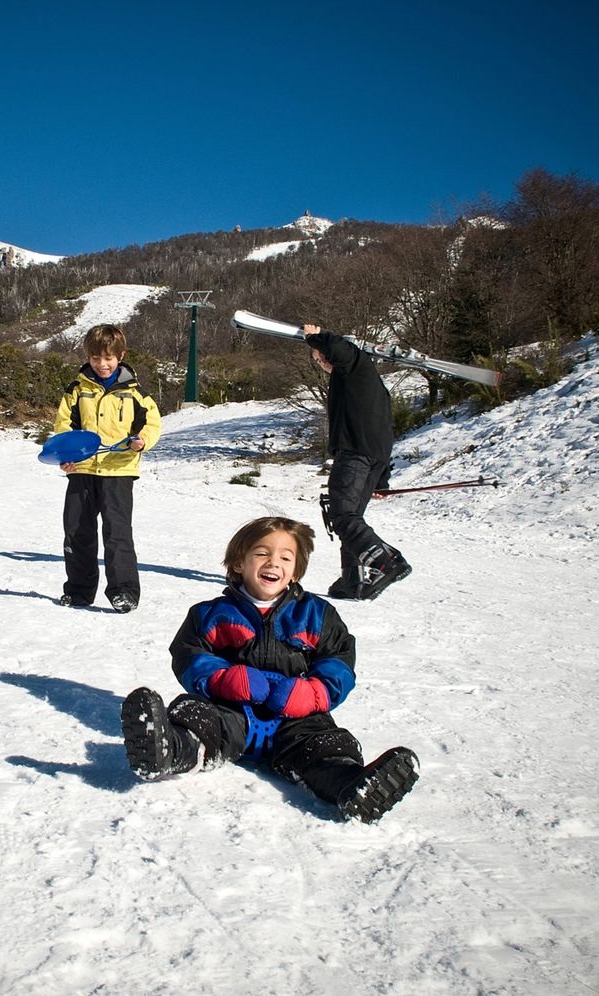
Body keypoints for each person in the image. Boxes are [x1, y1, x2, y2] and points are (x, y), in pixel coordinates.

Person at [120, 516, 419, 823]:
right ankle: (170, 749)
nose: (273, 562)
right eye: (262, 553)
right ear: (239, 563)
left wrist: (313, 693)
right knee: (198, 716)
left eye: (285, 557)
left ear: (295, 571)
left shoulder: (317, 615)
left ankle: (350, 785)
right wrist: (222, 678)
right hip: (232, 709)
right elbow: (189, 655)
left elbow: (339, 662)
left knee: (323, 745)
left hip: (295, 717)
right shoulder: (211, 614)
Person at [52, 324, 161, 612]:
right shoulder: (76, 390)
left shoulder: (136, 392)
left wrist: (142, 441)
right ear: (88, 356)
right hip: (82, 470)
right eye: (96, 358)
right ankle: (78, 590)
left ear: (120, 356)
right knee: (77, 531)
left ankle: (123, 591)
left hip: (119, 471)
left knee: (117, 533)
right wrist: (67, 454)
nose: (102, 364)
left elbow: (152, 423)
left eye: (109, 358)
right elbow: (64, 425)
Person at [304, 322, 412, 601]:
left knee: (342, 516)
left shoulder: (355, 365)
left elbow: (340, 349)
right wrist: (381, 480)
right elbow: (384, 430)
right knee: (351, 517)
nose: (323, 363)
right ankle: (353, 580)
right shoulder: (372, 387)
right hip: (372, 456)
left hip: (354, 453)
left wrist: (316, 337)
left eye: (321, 358)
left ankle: (386, 562)